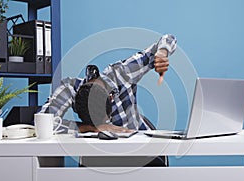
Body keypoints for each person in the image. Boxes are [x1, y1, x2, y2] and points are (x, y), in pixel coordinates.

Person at [40, 34, 177, 134]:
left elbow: (168, 38)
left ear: (111, 97)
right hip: (101, 155)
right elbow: (42, 123)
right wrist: (89, 128)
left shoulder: (122, 73)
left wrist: (162, 52)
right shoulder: (69, 88)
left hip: (139, 145)